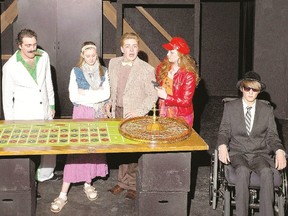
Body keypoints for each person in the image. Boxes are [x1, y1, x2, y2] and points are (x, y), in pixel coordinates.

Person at [50, 41, 110, 213]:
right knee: (77, 151)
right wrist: (95, 96)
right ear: (82, 55)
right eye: (88, 55)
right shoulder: (75, 71)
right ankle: (63, 194)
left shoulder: (103, 71)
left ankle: (88, 183)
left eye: (94, 55)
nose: (91, 59)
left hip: (98, 116)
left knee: (93, 150)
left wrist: (87, 94)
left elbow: (106, 94)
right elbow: (74, 97)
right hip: (81, 114)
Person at [217, 71, 286, 216]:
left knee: (267, 172)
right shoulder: (230, 108)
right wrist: (222, 145)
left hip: (259, 153)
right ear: (242, 88)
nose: (250, 92)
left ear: (259, 91)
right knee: (242, 170)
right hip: (238, 152)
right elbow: (224, 131)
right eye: (247, 88)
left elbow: (273, 136)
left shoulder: (267, 110)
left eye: (254, 89)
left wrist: (279, 150)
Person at [2, 29, 58, 183]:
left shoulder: (43, 56)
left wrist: (52, 105)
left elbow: (48, 82)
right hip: (24, 114)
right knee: (24, 150)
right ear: (20, 45)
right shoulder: (10, 66)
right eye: (28, 45)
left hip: (45, 110)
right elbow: (7, 98)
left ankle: (45, 175)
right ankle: (25, 182)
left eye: (34, 44)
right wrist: (10, 123)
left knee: (49, 145)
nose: (33, 48)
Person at [107, 32, 158, 200]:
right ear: (122, 48)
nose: (131, 50)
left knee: (134, 152)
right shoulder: (113, 63)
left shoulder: (147, 69)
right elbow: (111, 87)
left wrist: (139, 112)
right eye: (127, 46)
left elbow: (153, 95)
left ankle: (134, 185)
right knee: (121, 150)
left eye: (134, 46)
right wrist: (108, 102)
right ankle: (122, 182)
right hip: (117, 112)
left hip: (134, 115)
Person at [155, 37, 200, 127]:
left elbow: (185, 101)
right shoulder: (163, 67)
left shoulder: (188, 75)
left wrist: (166, 97)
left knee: (179, 139)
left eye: (171, 52)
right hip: (164, 110)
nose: (168, 54)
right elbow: (158, 79)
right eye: (168, 51)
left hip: (181, 115)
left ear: (180, 55)